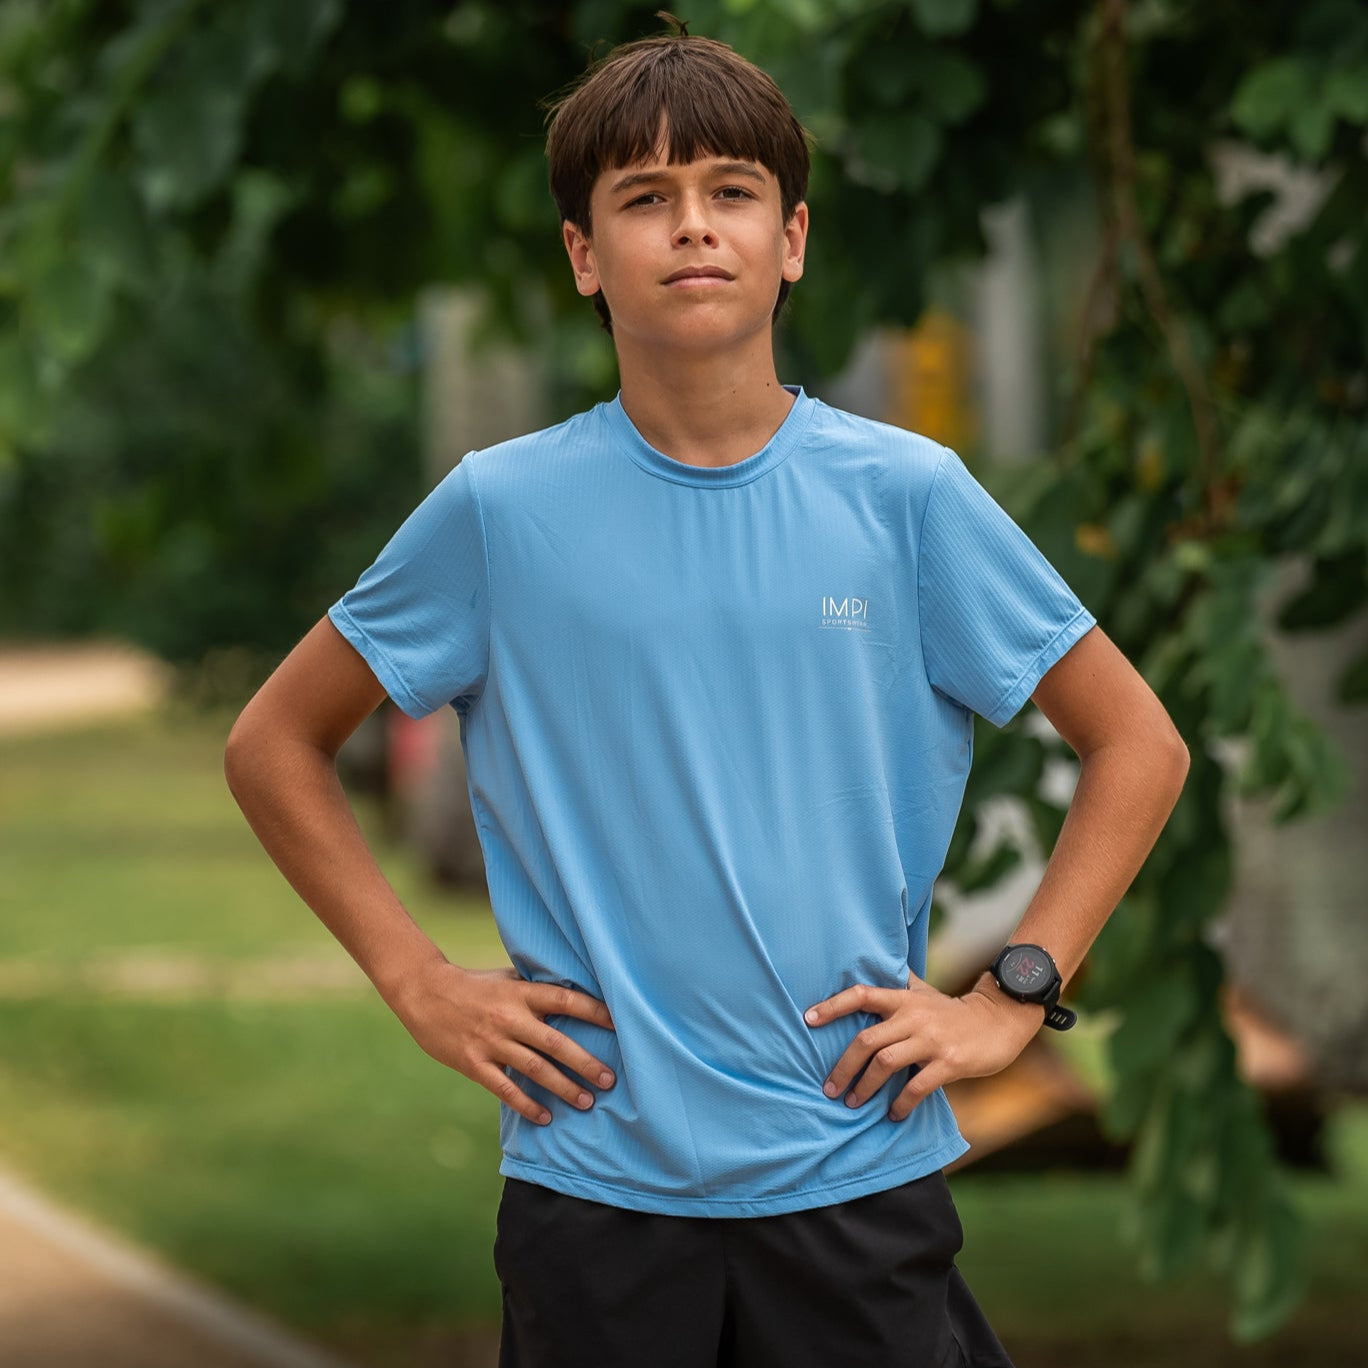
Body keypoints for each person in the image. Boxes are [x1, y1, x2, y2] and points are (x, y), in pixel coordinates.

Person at [224, 20, 1190, 1368]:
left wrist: (1014, 994)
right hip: (594, 1190)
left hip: (854, 1173)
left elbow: (1138, 741)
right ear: (583, 255)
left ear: (790, 240)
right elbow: (274, 741)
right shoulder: (500, 512)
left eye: (731, 191)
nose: (693, 226)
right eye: (645, 198)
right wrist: (415, 978)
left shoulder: (908, 499)